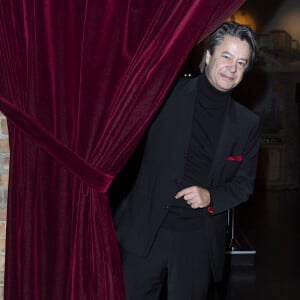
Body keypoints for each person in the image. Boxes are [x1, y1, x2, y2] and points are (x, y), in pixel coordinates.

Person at [114, 21, 260, 300]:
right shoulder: (164, 94)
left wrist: (211, 196)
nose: (232, 67)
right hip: (146, 230)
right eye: (226, 56)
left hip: (197, 241)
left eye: (241, 62)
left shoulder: (247, 123)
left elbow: (243, 185)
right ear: (208, 56)